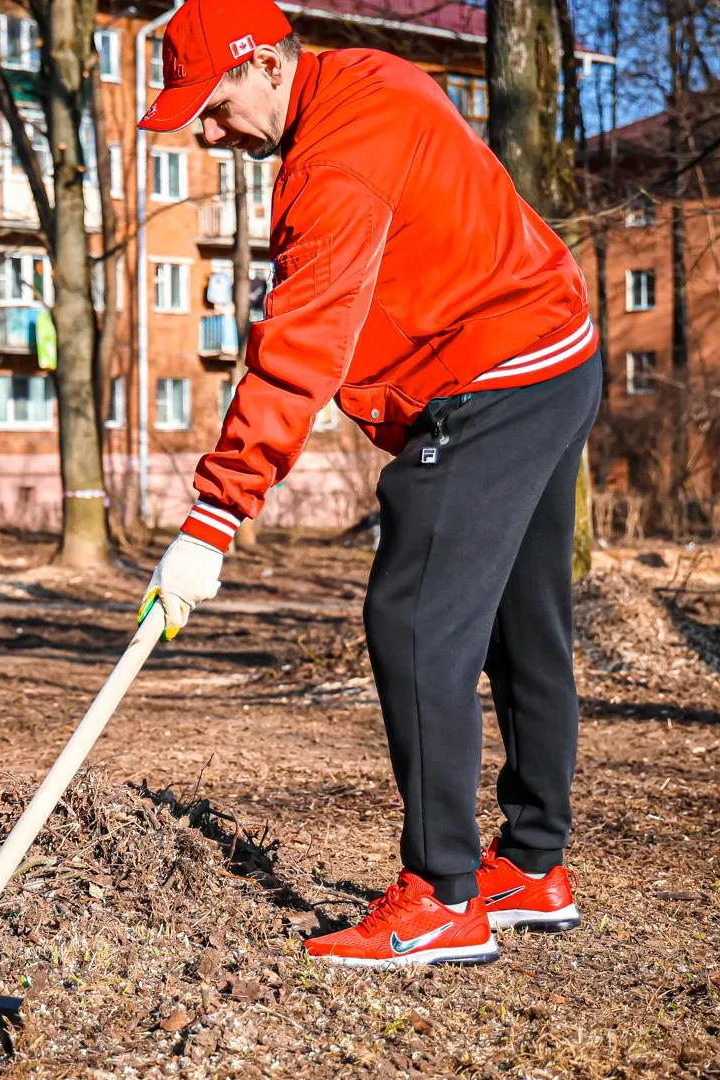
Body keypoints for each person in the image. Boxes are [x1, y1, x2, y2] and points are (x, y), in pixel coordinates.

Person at [137, 0, 601, 968]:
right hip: (554, 352)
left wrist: (212, 521)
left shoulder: (334, 160)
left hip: (491, 381)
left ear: (264, 64)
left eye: (214, 109)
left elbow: (298, 350)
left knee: (416, 619)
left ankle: (441, 895)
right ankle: (532, 867)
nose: (208, 134)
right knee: (525, 623)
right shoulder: (366, 78)